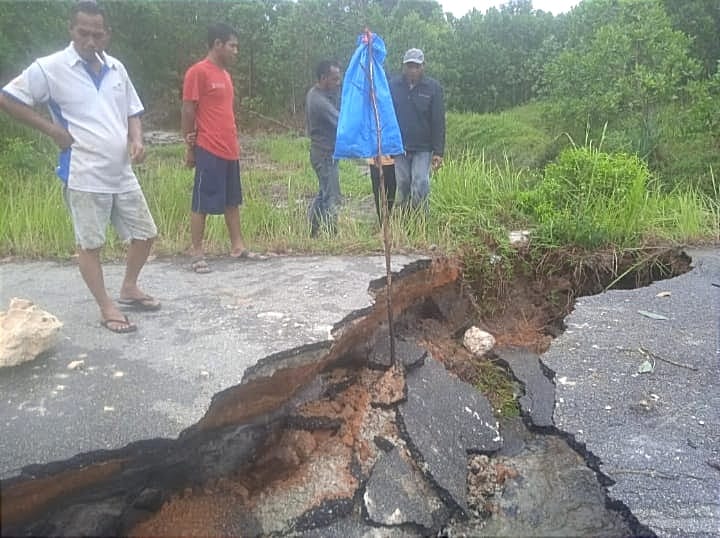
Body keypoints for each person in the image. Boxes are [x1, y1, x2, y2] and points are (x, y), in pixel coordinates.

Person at [0, 1, 160, 334]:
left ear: (107, 34)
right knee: (90, 244)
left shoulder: (116, 68)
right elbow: (9, 98)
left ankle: (129, 287)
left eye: (96, 34)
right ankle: (106, 307)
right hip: (84, 172)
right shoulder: (50, 67)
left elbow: (133, 110)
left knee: (145, 234)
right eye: (83, 33)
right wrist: (52, 129)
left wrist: (137, 139)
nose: (90, 40)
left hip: (121, 171)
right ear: (71, 30)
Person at [182, 22, 256, 273]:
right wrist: (189, 146)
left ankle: (237, 246)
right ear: (218, 44)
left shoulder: (225, 75)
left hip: (229, 147)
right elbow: (188, 110)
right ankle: (197, 251)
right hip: (208, 146)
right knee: (202, 201)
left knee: (232, 200)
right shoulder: (197, 72)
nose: (236, 51)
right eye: (232, 46)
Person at [389, 48, 445, 212]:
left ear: (423, 66)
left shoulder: (433, 88)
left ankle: (421, 221)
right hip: (400, 146)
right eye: (409, 66)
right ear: (404, 67)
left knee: (420, 182)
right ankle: (405, 219)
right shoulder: (394, 86)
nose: (412, 70)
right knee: (404, 183)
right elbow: (387, 115)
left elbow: (438, 120)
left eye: (416, 66)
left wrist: (438, 152)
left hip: (423, 147)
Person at [306, 60, 342, 236]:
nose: (338, 82)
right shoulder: (318, 100)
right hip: (324, 155)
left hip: (324, 153)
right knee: (332, 197)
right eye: (334, 79)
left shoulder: (321, 93)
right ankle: (331, 236)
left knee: (323, 193)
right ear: (323, 78)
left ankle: (311, 232)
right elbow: (340, 122)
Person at [368, 156, 396, 222]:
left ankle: (388, 222)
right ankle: (382, 224)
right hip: (375, 162)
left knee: (391, 196)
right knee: (379, 196)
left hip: (393, 161)